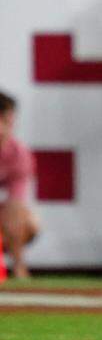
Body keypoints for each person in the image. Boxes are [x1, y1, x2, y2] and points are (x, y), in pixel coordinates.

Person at [0, 92, 38, 280]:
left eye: (6, 121)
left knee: (29, 223)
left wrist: (19, 264)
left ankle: (17, 267)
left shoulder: (19, 154)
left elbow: (15, 205)